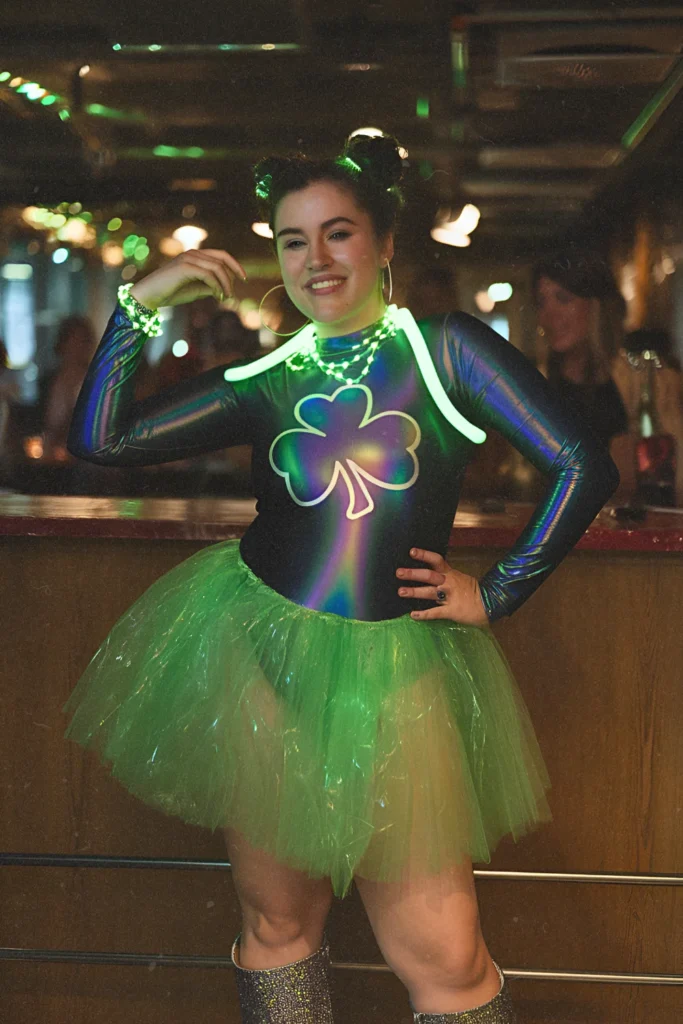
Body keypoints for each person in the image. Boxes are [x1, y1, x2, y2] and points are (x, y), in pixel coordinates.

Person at [65, 134, 619, 1023]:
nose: (314, 259)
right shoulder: (268, 374)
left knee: (442, 950)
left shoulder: (445, 351)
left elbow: (581, 466)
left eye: (338, 233)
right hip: (256, 649)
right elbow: (102, 439)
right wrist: (140, 303)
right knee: (278, 922)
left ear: (385, 243)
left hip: (393, 668)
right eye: (292, 240)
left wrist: (499, 590)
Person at [532, 250, 629, 447]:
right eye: (542, 302)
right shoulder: (535, 384)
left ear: (595, 306)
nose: (549, 315)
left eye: (563, 298)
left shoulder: (637, 383)